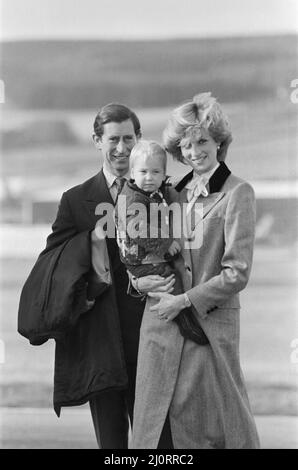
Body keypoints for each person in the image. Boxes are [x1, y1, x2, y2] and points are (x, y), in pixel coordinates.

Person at [18, 103, 175, 449]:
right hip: (100, 338)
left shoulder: (163, 194)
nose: (122, 148)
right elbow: (54, 264)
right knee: (112, 442)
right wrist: (81, 294)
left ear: (139, 139)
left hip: (149, 334)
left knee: (160, 441)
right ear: (96, 141)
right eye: (113, 139)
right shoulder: (74, 201)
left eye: (129, 139)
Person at [130, 93, 260, 449]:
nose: (193, 152)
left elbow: (237, 273)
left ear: (219, 141)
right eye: (184, 145)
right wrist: (137, 279)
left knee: (211, 431)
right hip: (160, 324)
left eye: (201, 141)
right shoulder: (170, 192)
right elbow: (143, 249)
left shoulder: (238, 193)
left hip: (208, 327)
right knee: (154, 433)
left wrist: (185, 300)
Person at [115, 139, 209, 345]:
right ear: (132, 173)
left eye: (156, 172)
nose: (149, 178)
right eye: (143, 172)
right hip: (140, 260)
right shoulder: (132, 199)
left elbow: (169, 187)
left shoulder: (149, 191)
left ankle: (188, 312)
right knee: (169, 280)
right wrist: (165, 244)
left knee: (176, 272)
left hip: (145, 255)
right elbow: (138, 229)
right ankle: (185, 322)